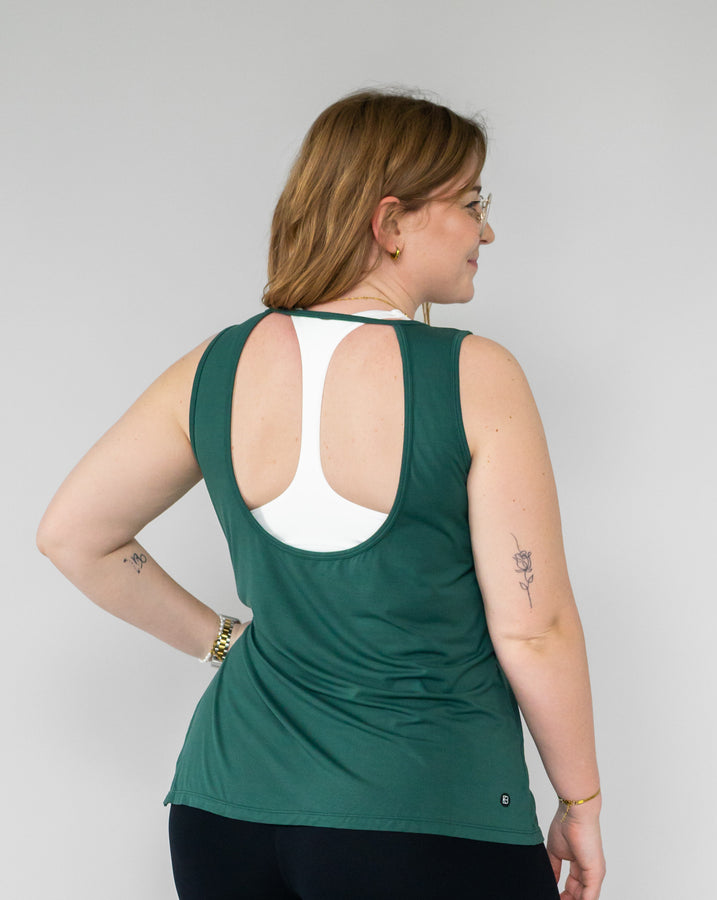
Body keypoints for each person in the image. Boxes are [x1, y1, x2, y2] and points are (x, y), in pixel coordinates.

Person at [37, 89, 605, 899]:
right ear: (391, 222)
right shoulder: (475, 375)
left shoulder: (216, 366)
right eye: (472, 204)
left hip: (224, 816)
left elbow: (73, 535)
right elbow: (534, 628)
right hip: (423, 816)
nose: (486, 232)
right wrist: (579, 802)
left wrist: (225, 645)